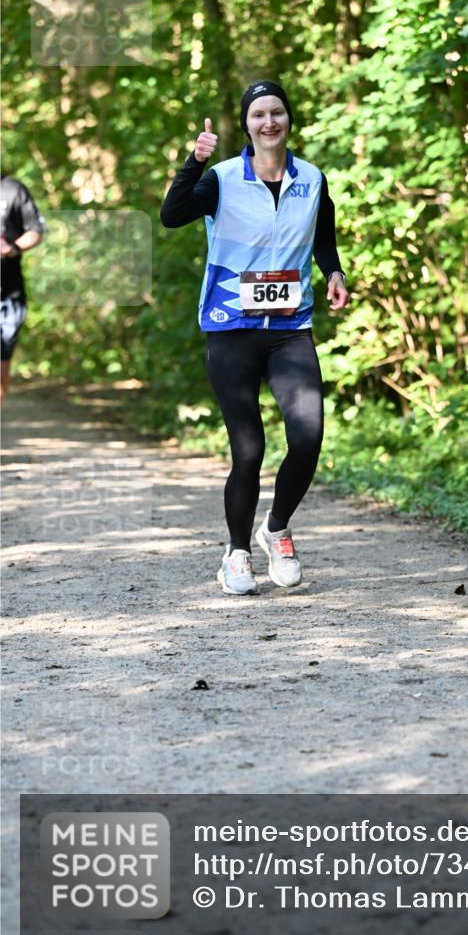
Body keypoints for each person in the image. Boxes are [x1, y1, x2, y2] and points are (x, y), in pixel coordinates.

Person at [160, 80, 350, 595]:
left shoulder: (311, 178)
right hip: (230, 328)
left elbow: (323, 232)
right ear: (246, 124)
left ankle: (277, 530)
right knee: (249, 449)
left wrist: (332, 272)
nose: (269, 122)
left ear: (289, 119)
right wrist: (193, 163)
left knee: (308, 438)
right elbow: (171, 215)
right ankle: (237, 552)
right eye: (259, 115)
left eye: (278, 113)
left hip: (290, 329)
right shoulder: (221, 179)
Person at [1, 174, 47, 401]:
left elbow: (36, 230)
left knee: (1, 364)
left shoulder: (13, 189)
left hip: (8, 293)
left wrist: (12, 248)